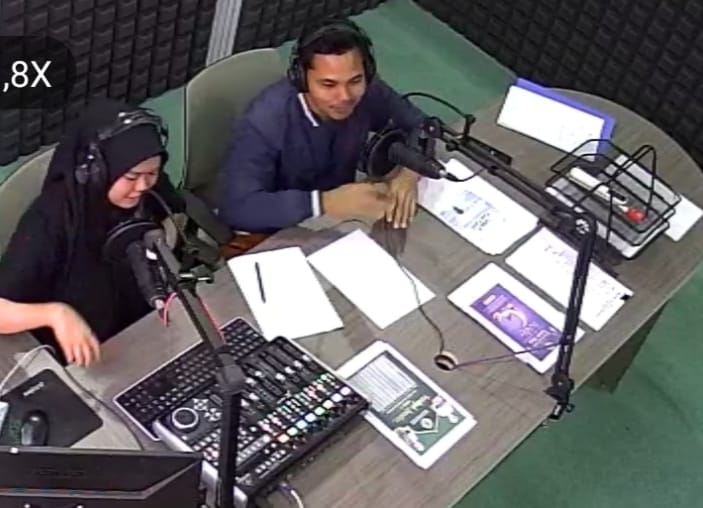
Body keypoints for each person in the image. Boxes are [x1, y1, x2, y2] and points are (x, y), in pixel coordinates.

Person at [0, 99, 178, 367]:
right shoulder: (51, 218)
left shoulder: (150, 191)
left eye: (152, 173)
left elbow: (174, 220)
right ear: (97, 171)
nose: (143, 185)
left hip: (143, 337)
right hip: (80, 359)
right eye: (131, 177)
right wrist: (56, 314)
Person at [217, 17, 428, 234]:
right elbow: (237, 208)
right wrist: (324, 202)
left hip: (341, 216)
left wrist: (409, 173)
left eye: (355, 81)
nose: (345, 96)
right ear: (301, 78)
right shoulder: (265, 121)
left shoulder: (370, 91)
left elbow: (423, 125)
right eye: (328, 84)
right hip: (284, 228)